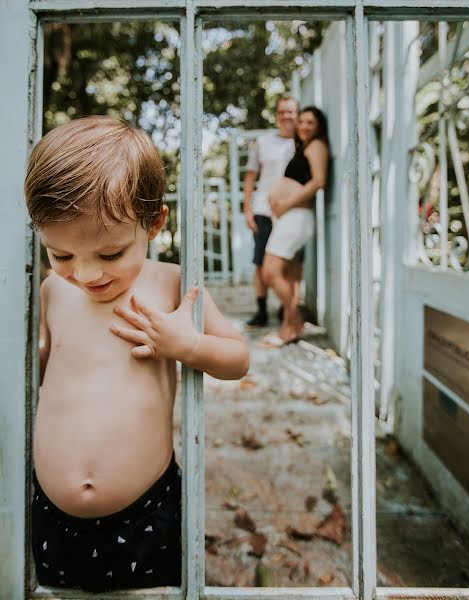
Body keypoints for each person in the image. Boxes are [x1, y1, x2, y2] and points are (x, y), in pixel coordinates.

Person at [25, 115, 249, 593]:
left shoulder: (170, 284)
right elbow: (41, 373)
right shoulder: (52, 293)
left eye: (109, 255)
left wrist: (187, 345)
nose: (85, 274)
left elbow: (237, 358)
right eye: (60, 254)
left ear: (154, 222)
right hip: (49, 509)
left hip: (146, 511)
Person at [262, 106, 330, 346]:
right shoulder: (303, 147)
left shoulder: (316, 146)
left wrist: (286, 204)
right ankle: (287, 329)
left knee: (270, 272)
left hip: (296, 217)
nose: (304, 126)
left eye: (310, 122)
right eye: (301, 122)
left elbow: (319, 181)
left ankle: (295, 321)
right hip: (289, 217)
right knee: (288, 276)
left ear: (319, 126)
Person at [243, 96, 298, 327]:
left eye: (291, 112)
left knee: (290, 263)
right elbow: (250, 177)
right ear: (276, 115)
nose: (286, 116)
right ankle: (262, 310)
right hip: (264, 210)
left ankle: (288, 311)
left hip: (291, 212)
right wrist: (247, 209)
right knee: (260, 264)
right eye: (282, 112)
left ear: (297, 114)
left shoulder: (303, 142)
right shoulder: (263, 142)